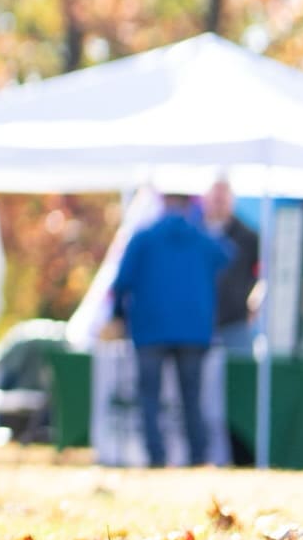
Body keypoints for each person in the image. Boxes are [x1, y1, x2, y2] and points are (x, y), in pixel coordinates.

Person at [110, 191, 232, 467]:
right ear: (191, 204)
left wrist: (119, 314)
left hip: (150, 326)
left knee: (149, 395)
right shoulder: (202, 238)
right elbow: (227, 257)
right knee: (192, 396)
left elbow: (121, 282)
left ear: (163, 201)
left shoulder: (144, 237)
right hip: (194, 329)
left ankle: (156, 456)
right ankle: (197, 456)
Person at [205, 178, 259, 348]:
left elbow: (260, 273)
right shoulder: (195, 232)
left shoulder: (248, 237)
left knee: (241, 370)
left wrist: (251, 302)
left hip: (235, 320)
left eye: (223, 198)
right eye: (216, 199)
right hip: (199, 322)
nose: (219, 203)